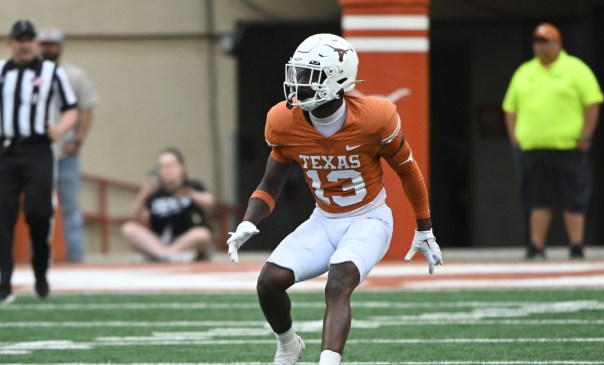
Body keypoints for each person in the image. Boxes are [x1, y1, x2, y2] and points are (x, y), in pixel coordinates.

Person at [226, 33, 443, 365]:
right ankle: (288, 345)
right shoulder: (284, 121)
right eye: (295, 74)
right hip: (324, 219)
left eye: (306, 76)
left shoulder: (375, 118)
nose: (296, 84)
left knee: (338, 281)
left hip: (370, 218)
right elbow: (271, 183)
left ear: (336, 79)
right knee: (269, 283)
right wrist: (248, 220)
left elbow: (408, 171)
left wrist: (424, 228)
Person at [502, 22, 604, 260]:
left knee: (574, 195)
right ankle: (536, 246)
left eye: (545, 42)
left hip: (568, 146)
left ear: (558, 44)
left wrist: (587, 135)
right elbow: (510, 108)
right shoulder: (524, 72)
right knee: (537, 197)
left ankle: (576, 245)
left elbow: (592, 102)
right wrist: (514, 138)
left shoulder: (576, 69)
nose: (540, 46)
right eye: (537, 42)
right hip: (532, 147)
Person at [0, 19, 78, 304]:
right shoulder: (1, 71)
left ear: (35, 42)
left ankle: (40, 271)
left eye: (29, 39)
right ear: (10, 43)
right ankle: (3, 282)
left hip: (38, 151)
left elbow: (71, 108)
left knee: (39, 211)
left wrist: (61, 129)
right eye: (19, 39)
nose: (24, 44)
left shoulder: (50, 71)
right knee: (2, 217)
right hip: (6, 151)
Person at [39, 27, 99, 263]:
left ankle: (76, 256)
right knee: (39, 208)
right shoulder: (31, 75)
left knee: (71, 206)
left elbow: (85, 109)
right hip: (39, 153)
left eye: (53, 44)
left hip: (65, 151)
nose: (49, 49)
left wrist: (77, 140)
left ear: (61, 46)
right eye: (45, 44)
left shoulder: (74, 76)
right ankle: (40, 257)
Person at [121, 147, 215, 263]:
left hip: (187, 241)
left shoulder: (192, 186)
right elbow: (136, 217)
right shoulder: (154, 192)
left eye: (170, 165)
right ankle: (168, 255)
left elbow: (210, 202)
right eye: (162, 167)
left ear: (181, 167)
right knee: (129, 229)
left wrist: (191, 195)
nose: (166, 170)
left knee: (202, 234)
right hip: (161, 240)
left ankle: (161, 255)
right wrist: (143, 195)